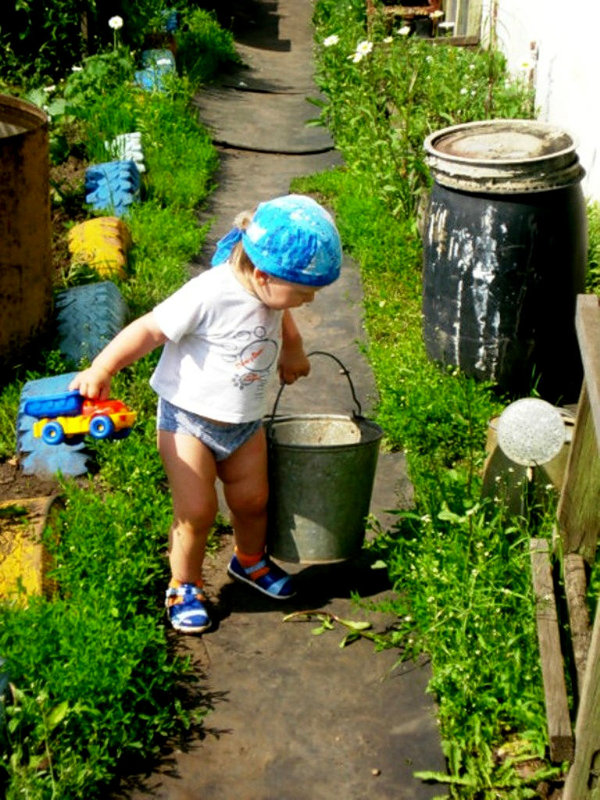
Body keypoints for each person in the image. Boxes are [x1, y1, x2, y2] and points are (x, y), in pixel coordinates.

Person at [69, 194, 343, 634]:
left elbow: (283, 317)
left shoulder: (270, 294)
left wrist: (292, 349)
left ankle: (249, 562)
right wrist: (103, 367)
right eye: (304, 291)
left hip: (243, 423)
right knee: (196, 512)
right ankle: (185, 584)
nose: (308, 300)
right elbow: (150, 329)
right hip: (188, 422)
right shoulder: (210, 292)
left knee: (253, 502)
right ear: (262, 274)